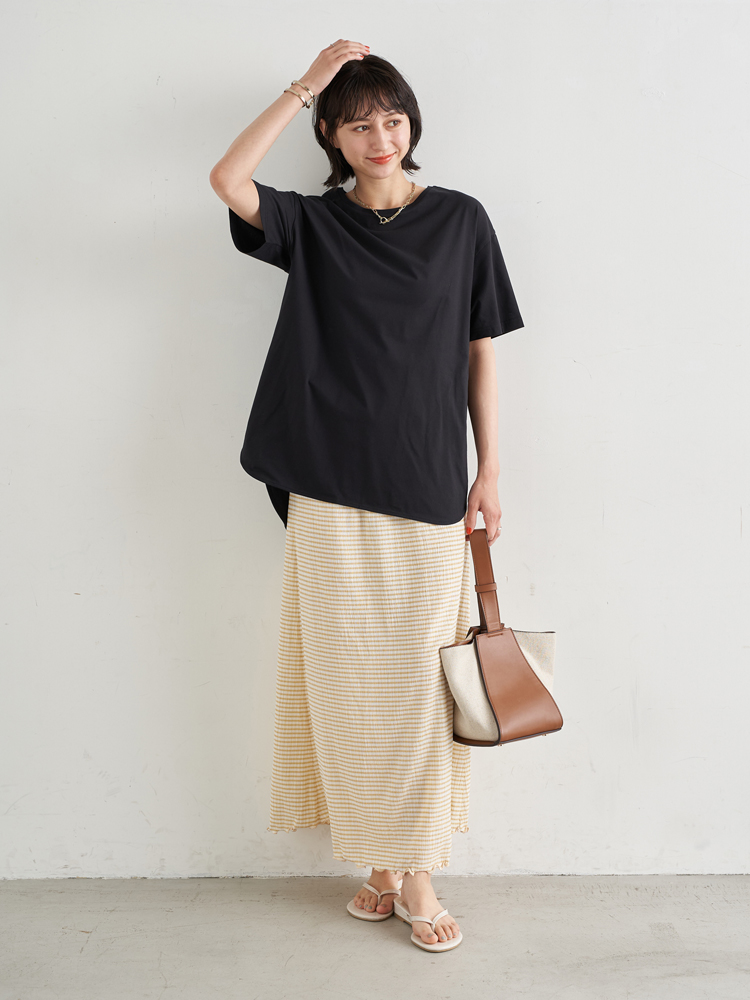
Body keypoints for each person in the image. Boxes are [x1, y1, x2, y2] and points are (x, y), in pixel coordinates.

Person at [209, 40, 524, 953]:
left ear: (411, 125)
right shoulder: (312, 224)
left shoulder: (461, 220)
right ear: (331, 137)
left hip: (426, 482)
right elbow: (227, 179)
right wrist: (305, 83)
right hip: (327, 483)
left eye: (392, 119)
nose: (380, 138)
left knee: (420, 686)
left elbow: (480, 350)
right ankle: (381, 864)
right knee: (346, 681)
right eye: (356, 125)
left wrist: (489, 469)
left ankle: (414, 865)